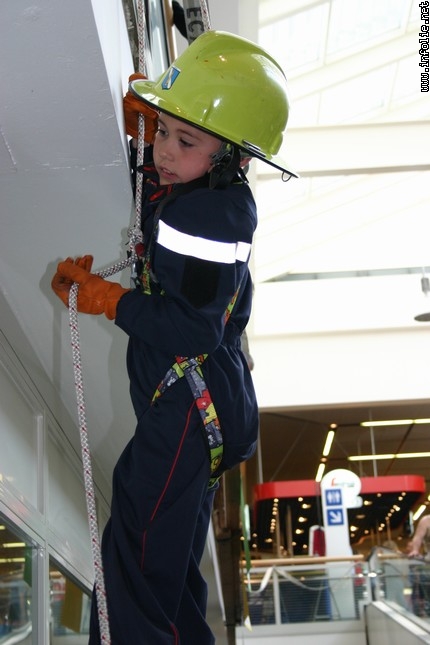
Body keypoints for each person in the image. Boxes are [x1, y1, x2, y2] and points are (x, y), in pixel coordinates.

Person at [51, 30, 296, 644]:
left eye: (184, 141)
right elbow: (170, 193)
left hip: (190, 407)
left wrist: (109, 300)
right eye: (163, 131)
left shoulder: (208, 216)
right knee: (162, 564)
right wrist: (147, 136)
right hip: (203, 406)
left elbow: (192, 329)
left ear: (234, 157)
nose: (165, 150)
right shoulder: (212, 195)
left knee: (137, 564)